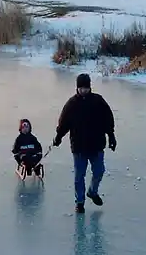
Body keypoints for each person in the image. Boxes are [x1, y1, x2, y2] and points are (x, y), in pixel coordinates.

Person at [53, 73, 116, 214]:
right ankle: (79, 202)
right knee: (79, 176)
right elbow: (64, 123)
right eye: (81, 88)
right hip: (79, 146)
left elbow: (108, 119)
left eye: (86, 88)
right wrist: (58, 136)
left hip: (97, 144)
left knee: (99, 171)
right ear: (77, 88)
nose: (83, 90)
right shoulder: (72, 104)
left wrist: (111, 135)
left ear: (90, 87)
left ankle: (92, 192)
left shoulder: (98, 101)